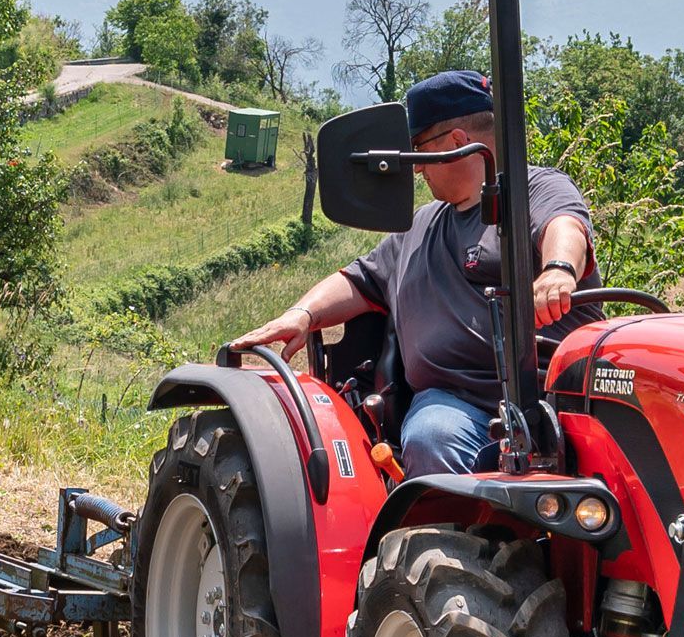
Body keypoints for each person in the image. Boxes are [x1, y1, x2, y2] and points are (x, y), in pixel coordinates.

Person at [232, 71, 599, 475]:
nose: (419, 168)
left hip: (554, 399)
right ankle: (453, 534)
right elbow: (358, 280)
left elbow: (564, 225)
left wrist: (558, 270)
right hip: (458, 404)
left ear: (457, 142)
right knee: (433, 436)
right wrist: (301, 315)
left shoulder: (533, 189)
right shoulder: (420, 226)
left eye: (420, 149)